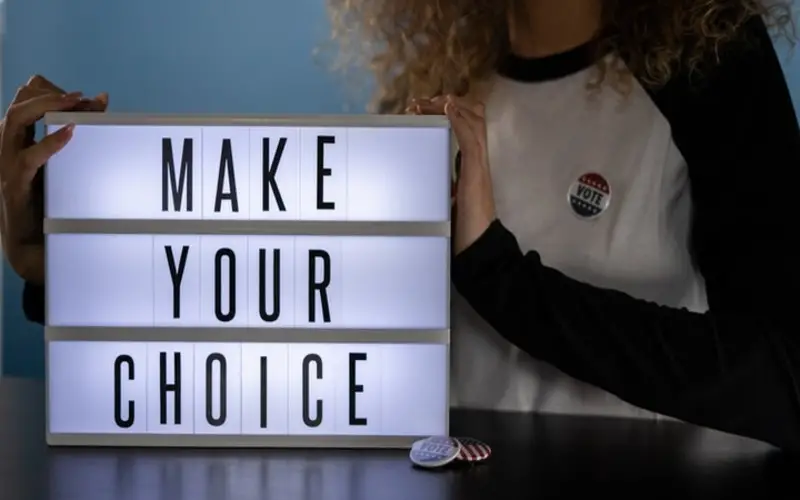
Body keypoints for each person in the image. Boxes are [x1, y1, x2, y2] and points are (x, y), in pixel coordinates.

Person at [1, 0, 798, 451]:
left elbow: (779, 380)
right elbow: (317, 337)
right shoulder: (434, 86)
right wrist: (68, 274)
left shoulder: (711, 65)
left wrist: (494, 272)